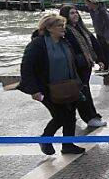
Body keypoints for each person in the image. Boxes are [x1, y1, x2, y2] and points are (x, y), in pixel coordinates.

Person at [18, 14, 86, 156]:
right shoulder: (37, 45)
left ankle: (68, 145)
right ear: (49, 28)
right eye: (59, 26)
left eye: (63, 25)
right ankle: (45, 139)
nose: (63, 28)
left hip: (69, 85)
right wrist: (34, 90)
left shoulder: (65, 42)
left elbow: (72, 63)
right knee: (60, 116)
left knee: (70, 115)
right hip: (46, 88)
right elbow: (26, 68)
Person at [60, 5, 107, 129]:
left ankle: (71, 115)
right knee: (82, 92)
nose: (75, 15)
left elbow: (93, 44)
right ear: (65, 16)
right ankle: (90, 117)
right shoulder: (66, 31)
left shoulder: (81, 28)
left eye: (76, 13)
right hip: (76, 67)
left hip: (85, 65)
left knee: (80, 92)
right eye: (72, 13)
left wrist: (100, 59)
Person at [82, 0, 109, 73]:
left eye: (86, 3)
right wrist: (71, 6)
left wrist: (108, 38)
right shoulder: (92, 9)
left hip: (106, 35)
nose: (86, 5)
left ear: (91, 3)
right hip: (99, 34)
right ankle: (105, 68)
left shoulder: (102, 11)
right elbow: (83, 8)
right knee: (102, 52)